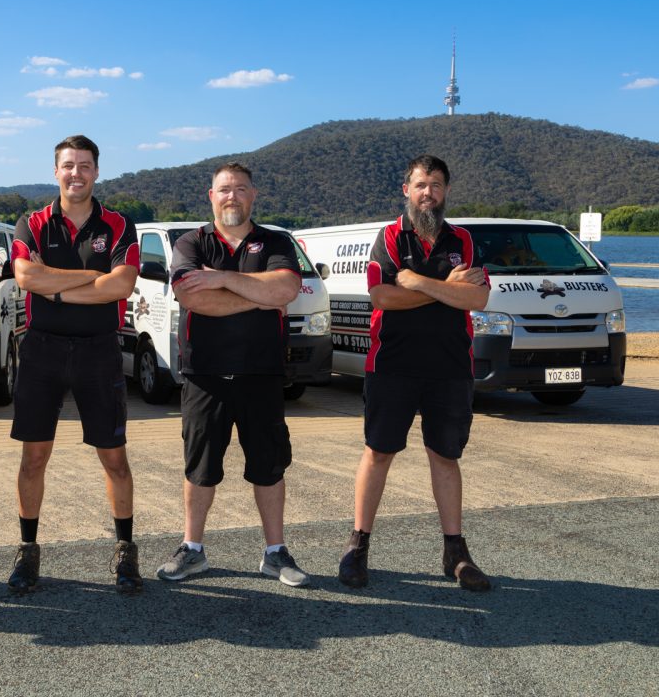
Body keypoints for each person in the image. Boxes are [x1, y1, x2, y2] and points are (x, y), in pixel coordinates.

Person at [339, 154, 493, 591]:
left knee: (446, 457)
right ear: (406, 190)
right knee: (379, 452)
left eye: (438, 185)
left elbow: (478, 301)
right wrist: (448, 290)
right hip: (393, 365)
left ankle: (455, 554)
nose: (429, 193)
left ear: (446, 192)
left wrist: (419, 282)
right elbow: (382, 297)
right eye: (422, 185)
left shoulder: (462, 239)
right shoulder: (387, 238)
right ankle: (357, 545)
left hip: (450, 366)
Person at [155, 162, 310, 587]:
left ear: (253, 195)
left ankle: (276, 554)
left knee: (269, 466)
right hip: (204, 374)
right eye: (225, 189)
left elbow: (286, 289)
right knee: (200, 467)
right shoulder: (192, 242)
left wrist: (221, 279)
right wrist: (259, 296)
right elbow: (192, 296)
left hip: (262, 374)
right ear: (211, 196)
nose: (232, 196)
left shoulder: (275, 240)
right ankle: (192, 550)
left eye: (241, 189)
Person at [7, 135, 142, 594]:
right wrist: (90, 279)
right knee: (34, 457)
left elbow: (121, 285)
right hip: (42, 349)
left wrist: (56, 288)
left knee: (114, 458)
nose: (76, 173)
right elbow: (26, 276)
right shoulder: (32, 222)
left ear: (97, 172)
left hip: (99, 349)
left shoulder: (120, 225)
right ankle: (28, 550)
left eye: (85, 166)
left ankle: (125, 550)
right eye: (68, 165)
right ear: (56, 171)